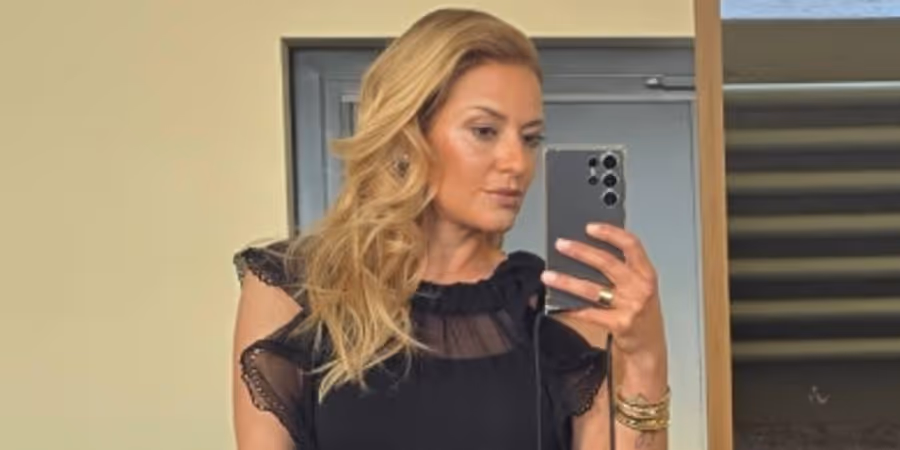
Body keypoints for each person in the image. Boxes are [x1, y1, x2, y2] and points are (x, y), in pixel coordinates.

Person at [232, 8, 669, 450]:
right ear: (409, 134)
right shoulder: (294, 287)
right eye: (485, 130)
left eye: (530, 138)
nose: (517, 162)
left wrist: (646, 358)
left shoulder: (560, 310)